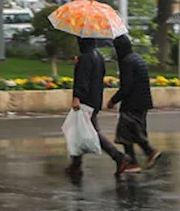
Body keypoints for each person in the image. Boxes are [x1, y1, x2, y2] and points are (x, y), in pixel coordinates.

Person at [66, 37, 131, 177]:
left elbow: (82, 80)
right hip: (95, 99)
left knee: (90, 132)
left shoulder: (85, 58)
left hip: (85, 101)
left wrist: (77, 97)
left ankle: (119, 157)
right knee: (79, 131)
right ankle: (75, 164)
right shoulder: (98, 56)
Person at [107, 35, 161, 170]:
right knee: (131, 132)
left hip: (132, 103)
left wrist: (113, 100)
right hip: (142, 102)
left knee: (127, 133)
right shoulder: (136, 58)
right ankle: (134, 161)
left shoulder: (127, 62)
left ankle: (145, 154)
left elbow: (127, 86)